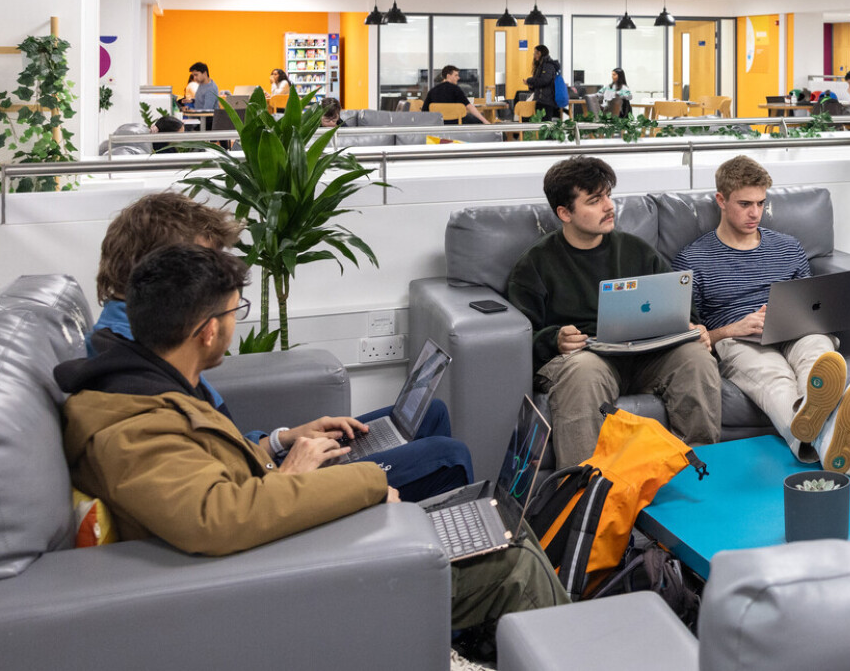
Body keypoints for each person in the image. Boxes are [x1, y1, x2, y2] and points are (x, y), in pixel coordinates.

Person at [56, 245, 562, 655]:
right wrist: (356, 484)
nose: (236, 323)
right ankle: (565, 643)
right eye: (236, 311)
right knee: (513, 560)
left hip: (278, 553)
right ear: (208, 330)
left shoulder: (148, 388)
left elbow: (220, 487)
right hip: (279, 584)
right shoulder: (133, 426)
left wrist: (284, 454)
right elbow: (215, 516)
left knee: (496, 531)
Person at [84, 192, 472, 497]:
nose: (219, 280)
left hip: (266, 470)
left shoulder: (150, 341)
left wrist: (281, 439)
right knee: (448, 457)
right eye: (207, 266)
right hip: (278, 494)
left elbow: (222, 448)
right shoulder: (133, 378)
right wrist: (291, 472)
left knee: (430, 414)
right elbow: (228, 509)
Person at [507, 156, 721, 466]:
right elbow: (518, 335)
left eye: (608, 195)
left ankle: (699, 474)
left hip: (646, 355)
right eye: (594, 200)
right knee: (585, 373)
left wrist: (693, 327)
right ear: (564, 213)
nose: (609, 206)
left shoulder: (636, 250)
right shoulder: (536, 264)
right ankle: (584, 494)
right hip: (586, 358)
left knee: (696, 359)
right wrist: (554, 338)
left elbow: (683, 307)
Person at [672, 155, 850, 472]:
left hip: (796, 331)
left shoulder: (788, 247)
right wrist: (731, 329)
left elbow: (812, 303)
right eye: (744, 204)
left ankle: (817, 430)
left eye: (760, 203)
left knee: (818, 355)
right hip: (740, 342)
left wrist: (811, 318)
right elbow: (689, 336)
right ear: (721, 200)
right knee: (776, 381)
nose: (755, 213)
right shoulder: (693, 258)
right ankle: (829, 441)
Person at [422, 64, 488, 123]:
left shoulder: (433, 90)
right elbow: (469, 106)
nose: (458, 78)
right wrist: (485, 121)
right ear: (448, 76)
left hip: (438, 122)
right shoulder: (455, 89)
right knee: (478, 118)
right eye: (456, 75)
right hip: (456, 121)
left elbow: (424, 110)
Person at [527, 46, 566, 118]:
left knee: (545, 125)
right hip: (539, 100)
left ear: (539, 53)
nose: (534, 56)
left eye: (534, 53)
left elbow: (544, 80)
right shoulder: (540, 65)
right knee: (539, 125)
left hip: (546, 101)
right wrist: (531, 86)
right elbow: (538, 83)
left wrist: (529, 80)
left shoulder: (548, 65)